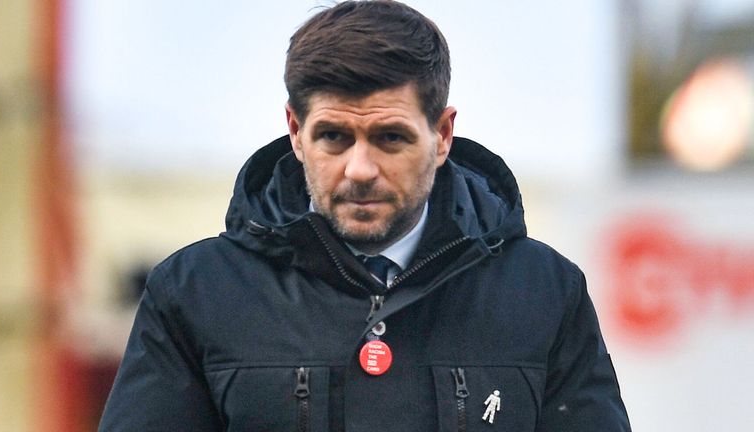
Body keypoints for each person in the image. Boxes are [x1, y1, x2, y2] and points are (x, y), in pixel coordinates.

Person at [99, 1, 631, 431]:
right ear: (294, 131)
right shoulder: (195, 295)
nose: (359, 169)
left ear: (442, 135)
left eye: (390, 138)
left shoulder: (543, 293)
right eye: (333, 136)